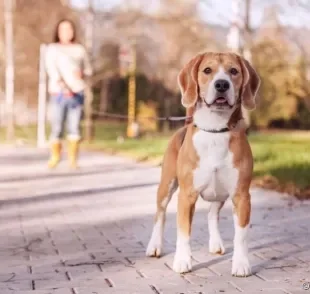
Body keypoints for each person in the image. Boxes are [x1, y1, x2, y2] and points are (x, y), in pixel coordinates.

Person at [45, 19, 92, 169]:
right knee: (57, 126)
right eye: (63, 29)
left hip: (77, 93)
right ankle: (55, 156)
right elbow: (51, 69)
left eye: (69, 29)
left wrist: (82, 73)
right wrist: (62, 84)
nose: (66, 32)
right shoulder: (52, 49)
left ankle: (73, 159)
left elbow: (88, 69)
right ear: (58, 32)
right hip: (58, 93)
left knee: (74, 127)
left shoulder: (79, 49)